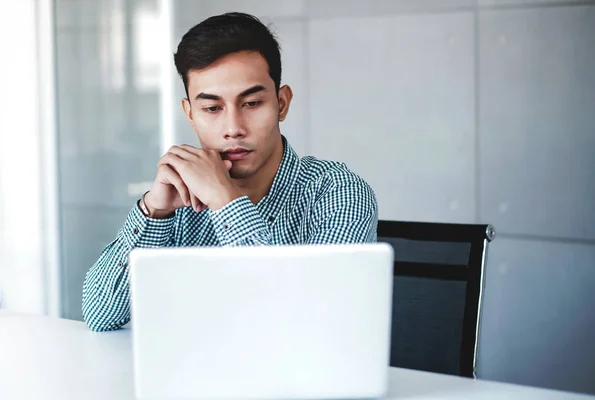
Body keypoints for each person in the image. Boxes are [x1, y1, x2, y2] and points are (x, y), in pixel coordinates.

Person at [82, 12, 378, 332]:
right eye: (212, 108)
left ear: (281, 103)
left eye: (251, 103)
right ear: (191, 114)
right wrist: (154, 211)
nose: (233, 129)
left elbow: (309, 324)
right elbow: (101, 314)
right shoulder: (181, 195)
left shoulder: (339, 192)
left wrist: (225, 201)